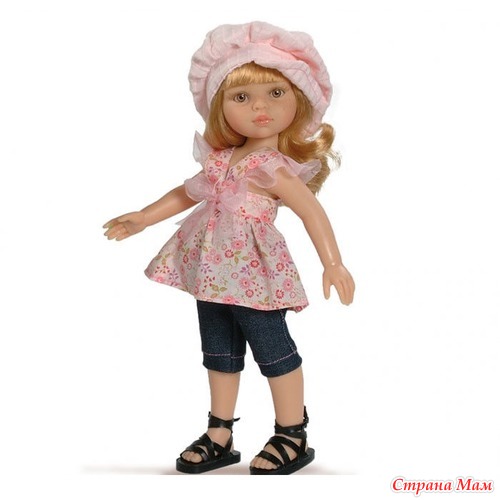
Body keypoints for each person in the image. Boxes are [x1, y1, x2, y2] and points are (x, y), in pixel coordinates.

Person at [103, 21, 355, 475]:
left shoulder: (274, 167)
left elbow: (311, 211)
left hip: (253, 273)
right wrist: (142, 216)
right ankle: (220, 431)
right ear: (220, 107)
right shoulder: (219, 160)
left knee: (272, 347)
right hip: (210, 272)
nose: (260, 106)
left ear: (299, 100)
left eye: (275, 93)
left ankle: (291, 432)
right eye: (241, 97)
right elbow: (186, 194)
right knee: (218, 350)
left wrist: (333, 263)